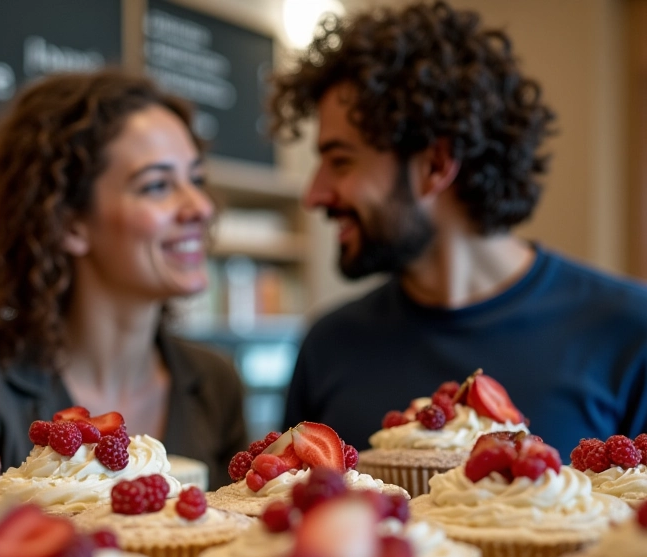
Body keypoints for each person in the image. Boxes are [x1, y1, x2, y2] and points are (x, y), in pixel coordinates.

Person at [268, 1, 647, 459]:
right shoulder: (328, 345)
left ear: (436, 164)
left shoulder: (629, 331)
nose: (315, 194)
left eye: (341, 161)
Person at [0, 70, 247, 491]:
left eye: (197, 180)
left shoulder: (215, 382)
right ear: (69, 223)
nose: (201, 207)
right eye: (157, 185)